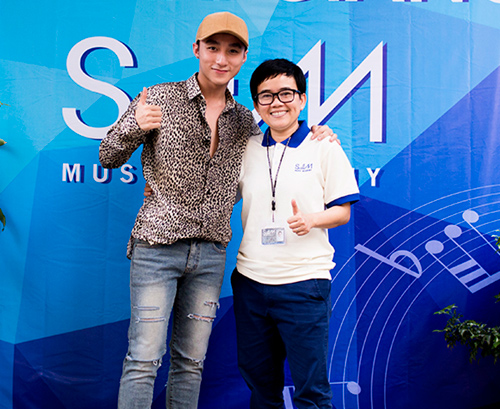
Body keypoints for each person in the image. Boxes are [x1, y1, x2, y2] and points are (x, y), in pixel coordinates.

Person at [100, 12, 335, 409]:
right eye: (213, 48)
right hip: (157, 248)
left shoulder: (244, 121)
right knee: (143, 358)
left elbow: (274, 155)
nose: (221, 59)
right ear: (197, 49)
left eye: (232, 51)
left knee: (191, 362)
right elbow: (108, 155)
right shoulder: (160, 99)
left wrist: (318, 133)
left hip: (210, 255)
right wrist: (134, 125)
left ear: (243, 57)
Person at [231, 59, 359, 409]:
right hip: (251, 282)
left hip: (304, 284)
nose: (277, 103)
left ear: (301, 99)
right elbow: (214, 190)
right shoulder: (246, 148)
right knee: (261, 389)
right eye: (266, 96)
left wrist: (313, 219)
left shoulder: (323, 146)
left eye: (286, 93)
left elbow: (343, 211)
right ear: (257, 104)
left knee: (311, 391)